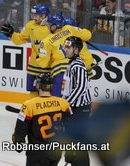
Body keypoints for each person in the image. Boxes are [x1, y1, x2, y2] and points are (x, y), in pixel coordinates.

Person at [12, 72, 72, 166]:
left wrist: (18, 143)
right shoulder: (63, 103)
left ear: (38, 85)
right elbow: (71, 126)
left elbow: (20, 130)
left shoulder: (29, 105)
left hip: (37, 153)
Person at [1, 3, 51, 99]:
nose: (33, 17)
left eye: (36, 15)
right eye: (33, 15)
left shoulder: (51, 27)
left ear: (43, 16)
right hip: (34, 65)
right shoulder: (30, 25)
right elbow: (21, 38)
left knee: (47, 91)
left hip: (48, 65)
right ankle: (31, 108)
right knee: (32, 89)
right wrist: (12, 34)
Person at [36, 13, 92, 97]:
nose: (47, 26)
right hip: (76, 69)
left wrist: (38, 57)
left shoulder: (45, 41)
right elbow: (88, 35)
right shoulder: (69, 29)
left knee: (58, 101)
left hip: (60, 73)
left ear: (54, 27)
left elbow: (43, 64)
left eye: (49, 24)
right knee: (78, 97)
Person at [62, 36, 92, 166]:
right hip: (74, 107)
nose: (66, 49)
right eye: (65, 47)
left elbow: (81, 87)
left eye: (68, 47)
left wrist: (67, 104)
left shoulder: (78, 65)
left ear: (76, 49)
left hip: (80, 109)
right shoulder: (72, 64)